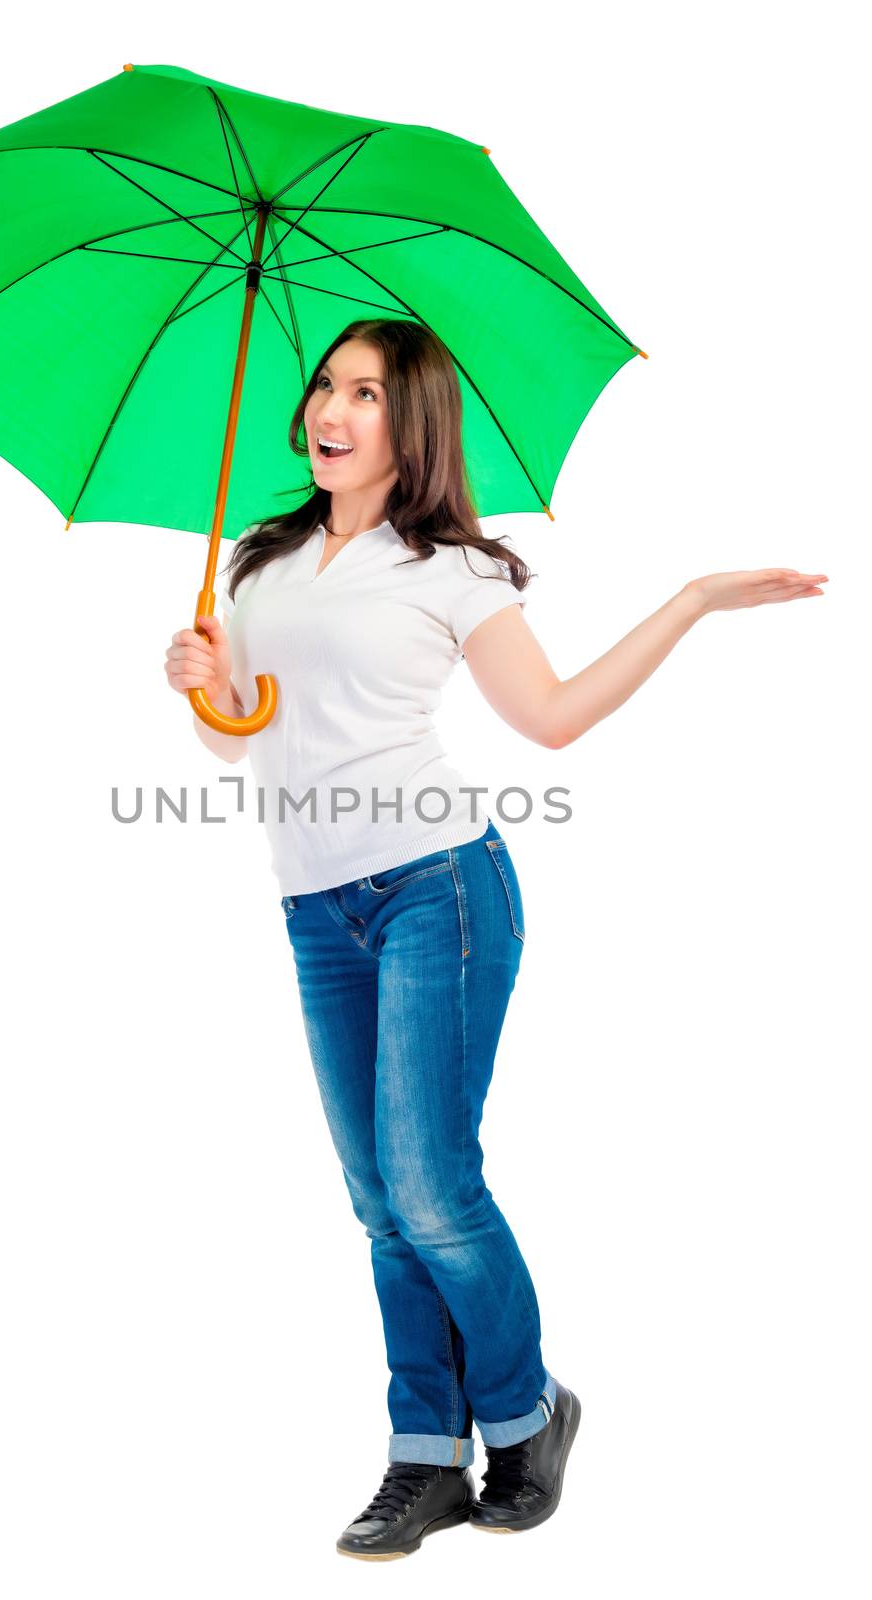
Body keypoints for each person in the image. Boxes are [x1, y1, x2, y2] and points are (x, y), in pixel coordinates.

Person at [164, 318, 827, 1561]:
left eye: (364, 390)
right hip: (316, 904)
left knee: (429, 1181)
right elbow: (244, 734)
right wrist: (199, 678)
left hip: (440, 889)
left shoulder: (453, 573)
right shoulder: (256, 564)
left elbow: (555, 718)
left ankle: (523, 1412)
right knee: (378, 1202)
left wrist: (688, 600)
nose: (330, 408)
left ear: (410, 424)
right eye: (323, 384)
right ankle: (424, 1455)